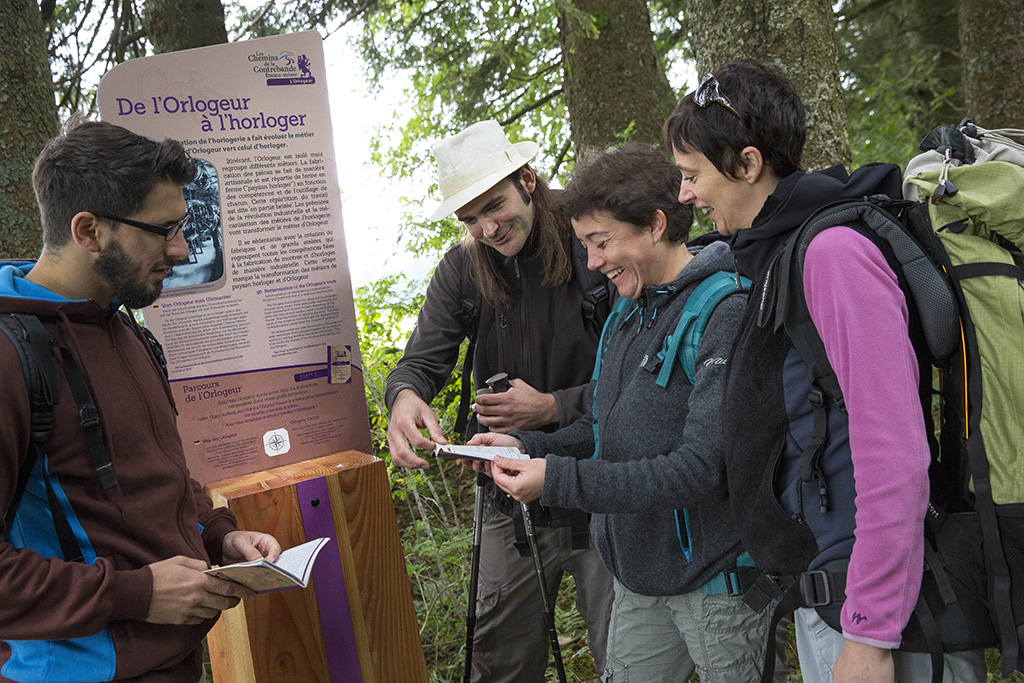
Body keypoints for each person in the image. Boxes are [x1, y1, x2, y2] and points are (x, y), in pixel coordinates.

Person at [664, 59, 986, 683]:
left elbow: (893, 450)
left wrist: (870, 633)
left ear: (748, 163)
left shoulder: (833, 255)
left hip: (881, 618)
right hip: (838, 600)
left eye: (691, 174)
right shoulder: (777, 256)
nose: (684, 195)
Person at [477, 143, 777, 683]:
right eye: (586, 245)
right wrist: (528, 448)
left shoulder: (723, 313)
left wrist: (558, 479)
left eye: (601, 242)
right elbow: (602, 426)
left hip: (716, 587)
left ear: (656, 225)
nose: (593, 263)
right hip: (638, 579)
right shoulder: (627, 312)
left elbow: (701, 469)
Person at [0, 118, 281, 683]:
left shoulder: (125, 326)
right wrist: (135, 593)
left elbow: (153, 474)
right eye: (163, 230)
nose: (180, 249)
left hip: (174, 663)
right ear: (89, 231)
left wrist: (218, 533)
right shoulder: (12, 356)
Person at [384, 120, 614, 682]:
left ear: (528, 179)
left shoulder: (595, 246)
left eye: (495, 206)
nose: (487, 228)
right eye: (469, 219)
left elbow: (643, 380)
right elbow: (421, 360)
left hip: (603, 489)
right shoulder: (464, 268)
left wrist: (553, 407)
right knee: (501, 661)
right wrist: (404, 398)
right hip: (508, 500)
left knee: (627, 658)